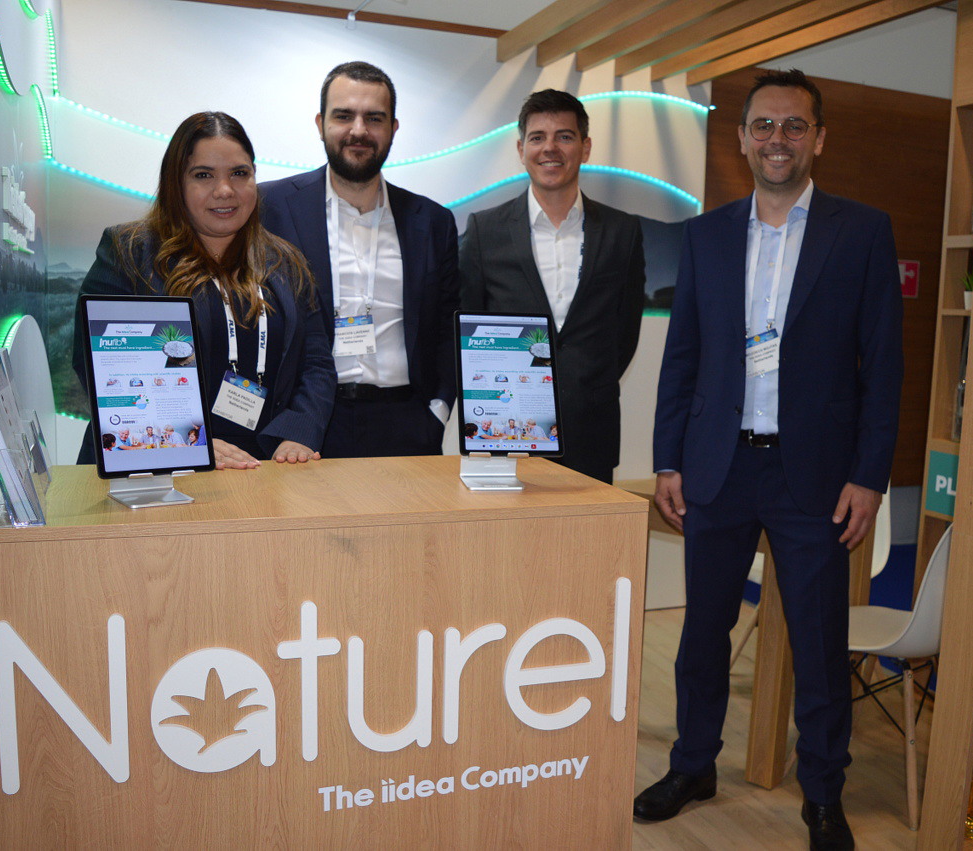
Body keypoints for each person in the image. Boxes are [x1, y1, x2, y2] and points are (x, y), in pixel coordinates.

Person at [634, 70, 903, 851]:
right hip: (718, 467)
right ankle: (693, 765)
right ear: (743, 137)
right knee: (702, 634)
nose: (776, 139)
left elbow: (884, 364)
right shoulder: (707, 234)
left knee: (818, 644)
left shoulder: (862, 231)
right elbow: (683, 357)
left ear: (818, 138)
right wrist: (667, 460)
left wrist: (869, 475)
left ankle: (823, 793)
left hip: (813, 476)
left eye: (793, 125)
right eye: (763, 125)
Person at [74, 112, 336, 470]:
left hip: (266, 467)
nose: (224, 190)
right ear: (175, 183)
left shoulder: (285, 261)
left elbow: (316, 362)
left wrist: (298, 434)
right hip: (158, 469)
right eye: (203, 175)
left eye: (239, 173)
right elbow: (101, 368)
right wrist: (188, 442)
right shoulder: (130, 252)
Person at [260, 61, 459, 458]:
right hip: (304, 427)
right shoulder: (270, 207)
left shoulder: (433, 221)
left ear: (393, 129)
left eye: (374, 118)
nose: (358, 130)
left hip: (408, 426)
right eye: (343, 116)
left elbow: (447, 327)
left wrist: (437, 410)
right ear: (320, 124)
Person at [460, 89, 645, 483]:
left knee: (592, 526)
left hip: (592, 430)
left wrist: (584, 382)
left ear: (585, 147)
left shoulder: (622, 231)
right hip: (507, 432)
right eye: (537, 137)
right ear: (521, 148)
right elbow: (467, 329)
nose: (550, 148)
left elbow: (625, 332)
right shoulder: (484, 231)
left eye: (564, 136)